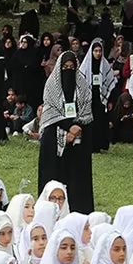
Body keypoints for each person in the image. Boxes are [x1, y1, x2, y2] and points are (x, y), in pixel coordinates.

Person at [38, 51, 94, 213]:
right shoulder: (51, 86)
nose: (68, 71)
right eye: (65, 67)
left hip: (78, 138)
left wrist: (76, 128)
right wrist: (68, 127)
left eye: (71, 67)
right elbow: (50, 112)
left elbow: (86, 113)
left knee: (77, 180)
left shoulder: (82, 86)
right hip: (54, 138)